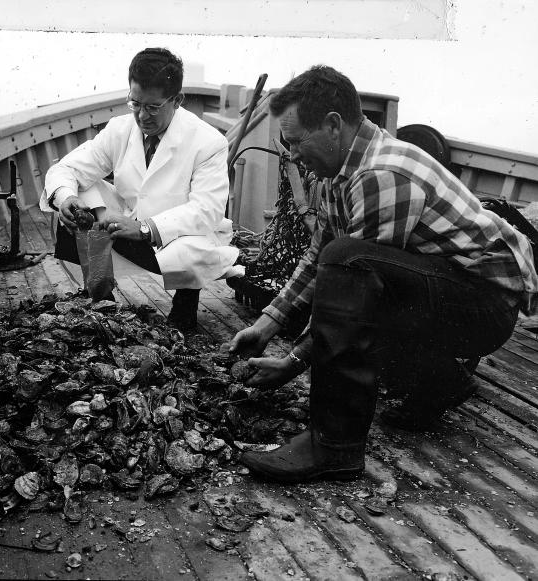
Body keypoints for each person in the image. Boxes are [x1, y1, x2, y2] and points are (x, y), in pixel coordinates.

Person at [229, 65, 538, 483]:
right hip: (445, 293)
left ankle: (333, 446)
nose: (294, 154)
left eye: (297, 142)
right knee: (341, 259)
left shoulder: (381, 173)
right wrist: (269, 322)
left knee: (351, 266)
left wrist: (293, 361)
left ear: (333, 125)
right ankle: (440, 382)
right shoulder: (332, 173)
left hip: (485, 308)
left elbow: (351, 281)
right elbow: (318, 251)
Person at [40, 47, 243, 330]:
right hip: (129, 224)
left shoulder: (208, 142)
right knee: (78, 194)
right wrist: (67, 198)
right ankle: (102, 297)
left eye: (153, 107)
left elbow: (207, 211)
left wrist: (145, 228)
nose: (142, 116)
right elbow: (65, 169)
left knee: (193, 247)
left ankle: (186, 302)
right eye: (135, 104)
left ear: (178, 100)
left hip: (181, 237)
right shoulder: (119, 129)